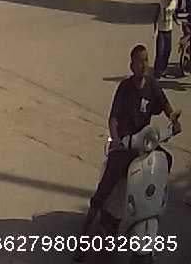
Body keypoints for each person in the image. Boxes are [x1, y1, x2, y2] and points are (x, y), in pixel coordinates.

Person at [76, 44, 180, 254]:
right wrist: (116, 141)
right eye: (139, 61)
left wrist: (173, 118)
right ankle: (83, 239)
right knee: (104, 189)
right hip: (126, 145)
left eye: (146, 60)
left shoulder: (152, 86)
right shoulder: (125, 88)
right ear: (131, 66)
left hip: (145, 145)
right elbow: (113, 119)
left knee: (167, 160)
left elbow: (165, 104)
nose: (144, 65)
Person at [155, 0, 179, 78]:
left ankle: (163, 69)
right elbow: (156, 16)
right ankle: (157, 72)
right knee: (160, 52)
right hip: (161, 30)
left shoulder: (174, 2)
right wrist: (155, 29)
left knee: (168, 51)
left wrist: (177, 21)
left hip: (169, 30)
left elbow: (173, 13)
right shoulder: (162, 2)